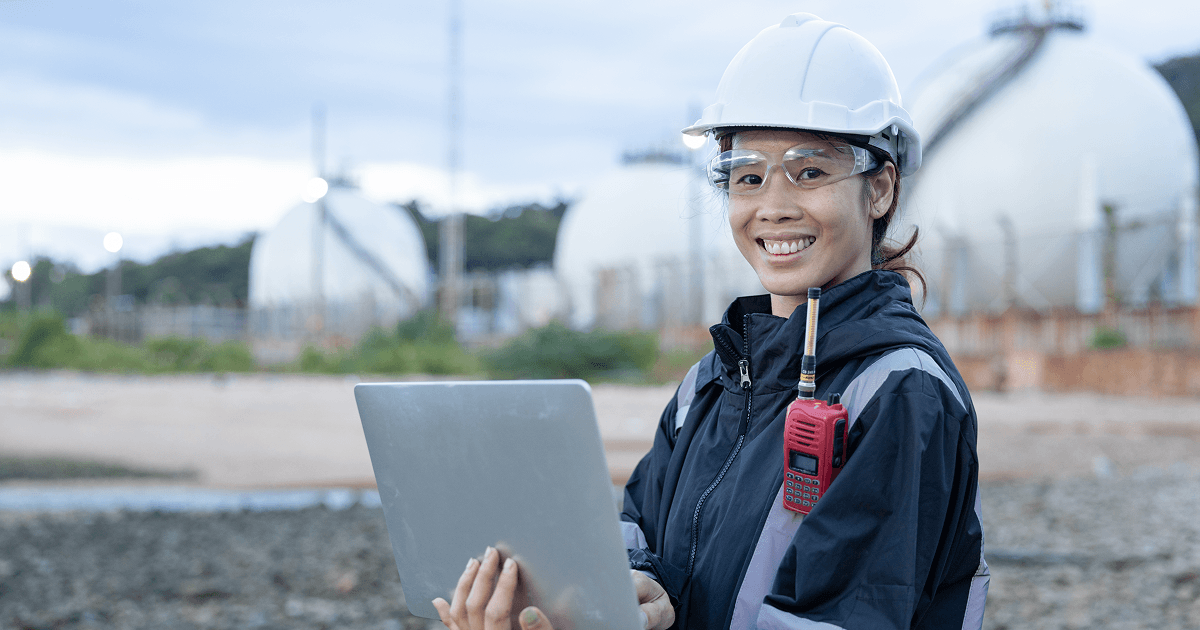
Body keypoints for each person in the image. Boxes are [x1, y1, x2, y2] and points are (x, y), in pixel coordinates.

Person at [434, 13, 987, 630]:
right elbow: (642, 534)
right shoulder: (714, 381)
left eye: (809, 172)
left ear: (879, 189)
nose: (773, 207)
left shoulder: (897, 391)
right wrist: (628, 598)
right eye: (748, 177)